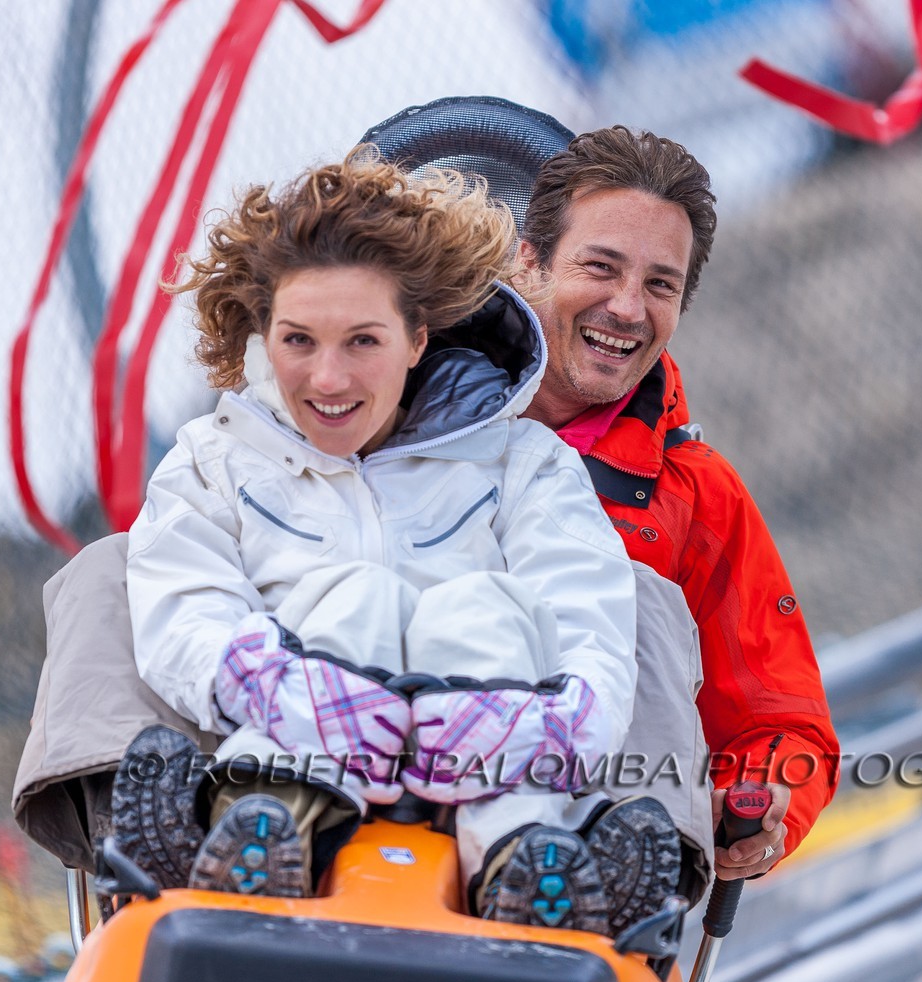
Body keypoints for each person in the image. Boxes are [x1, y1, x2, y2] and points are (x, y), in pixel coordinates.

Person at [108, 147, 682, 935]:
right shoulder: (214, 461)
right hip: (296, 749)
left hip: (489, 764)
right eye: (299, 340)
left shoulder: (520, 462)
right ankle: (259, 827)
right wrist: (269, 683)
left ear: (418, 338)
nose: (329, 379)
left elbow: (589, 611)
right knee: (343, 596)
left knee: (492, 604)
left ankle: (533, 863)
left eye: (363, 342)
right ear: (262, 335)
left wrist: (553, 723)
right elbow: (185, 603)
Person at [516, 126, 841, 882]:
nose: (627, 307)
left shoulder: (696, 495)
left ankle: (627, 874)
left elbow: (781, 725)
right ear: (530, 261)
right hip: (389, 805)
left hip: (588, 871)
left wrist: (760, 807)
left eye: (660, 285)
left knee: (637, 604)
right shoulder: (408, 416)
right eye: (600, 267)